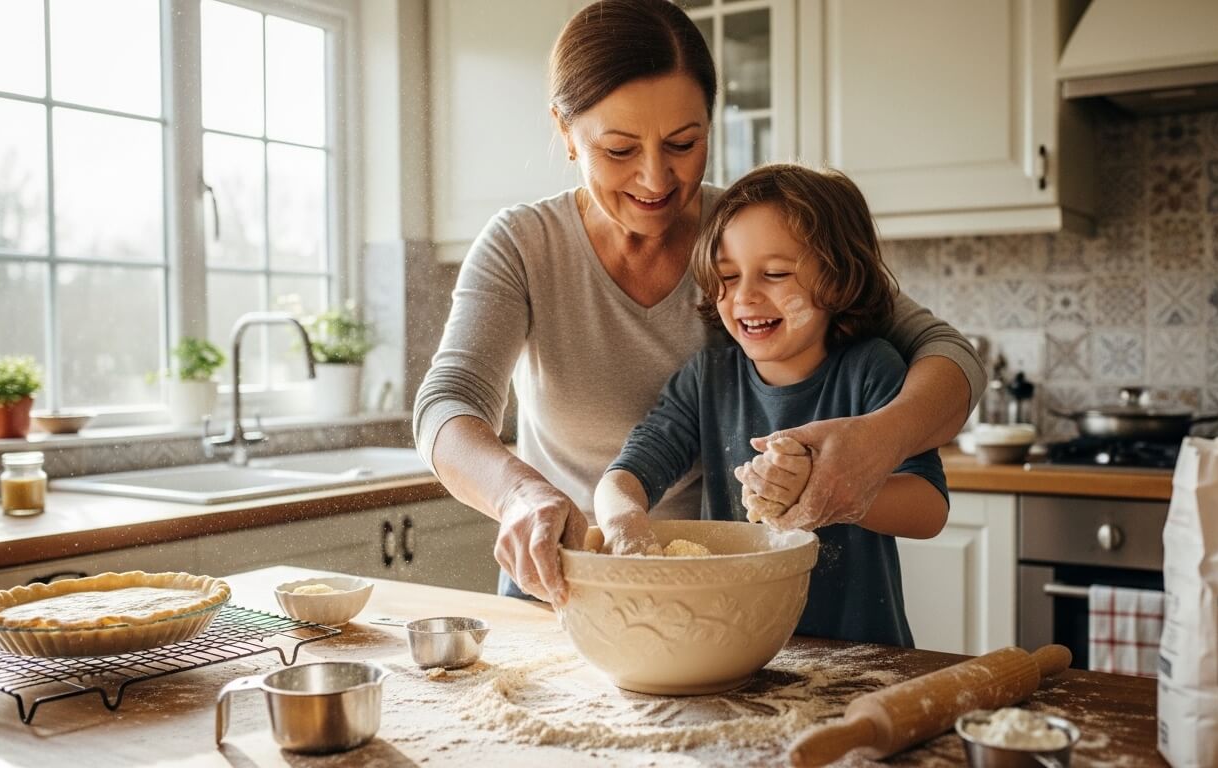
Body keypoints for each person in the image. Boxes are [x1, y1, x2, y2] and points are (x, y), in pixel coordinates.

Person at [413, 0, 983, 607]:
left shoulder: (749, 232)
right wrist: (519, 494)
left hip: (723, 592)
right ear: (566, 133)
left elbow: (950, 356)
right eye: (620, 150)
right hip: (568, 587)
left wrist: (877, 444)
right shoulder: (523, 244)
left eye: (684, 143)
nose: (656, 180)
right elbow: (446, 404)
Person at [593, 163, 948, 647]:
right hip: (736, 650)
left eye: (776, 274)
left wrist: (836, 493)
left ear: (839, 277)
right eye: (727, 276)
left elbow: (929, 510)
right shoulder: (708, 379)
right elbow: (627, 474)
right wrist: (624, 523)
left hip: (861, 656)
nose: (745, 297)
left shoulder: (870, 370)